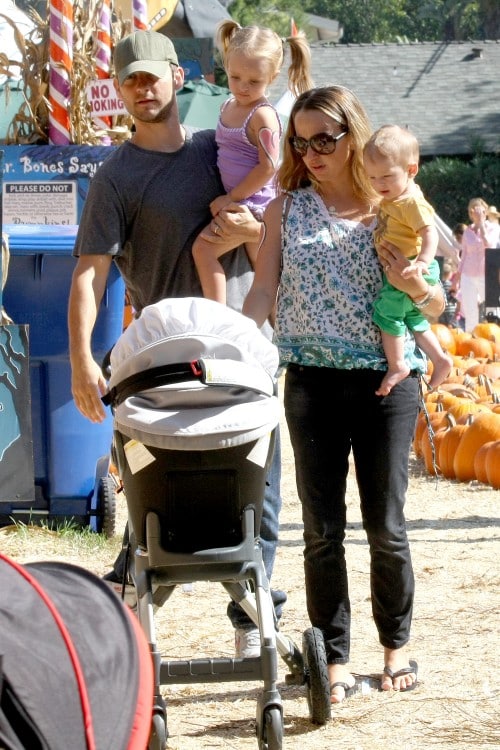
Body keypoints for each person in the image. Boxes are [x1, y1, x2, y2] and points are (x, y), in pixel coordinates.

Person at [68, 30, 285, 659]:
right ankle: (128, 610)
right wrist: (83, 355)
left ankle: (254, 620)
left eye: (150, 76)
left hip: (241, 351)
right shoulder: (116, 178)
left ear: (179, 74)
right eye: (128, 79)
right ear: (118, 88)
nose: (141, 88)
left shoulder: (220, 149)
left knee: (256, 491)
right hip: (162, 364)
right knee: (154, 489)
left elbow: (272, 214)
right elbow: (90, 271)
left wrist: (251, 227)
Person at [242, 85, 445, 703]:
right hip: (309, 385)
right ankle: (331, 659)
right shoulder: (283, 210)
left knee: (386, 525)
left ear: (353, 135)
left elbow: (436, 305)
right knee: (322, 529)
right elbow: (262, 293)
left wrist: (416, 284)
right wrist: (235, 346)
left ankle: (396, 647)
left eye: (324, 140)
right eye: (300, 142)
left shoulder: (399, 209)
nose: (311, 153)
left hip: (387, 385)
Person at [192, 20, 312, 304]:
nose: (243, 87)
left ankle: (217, 319)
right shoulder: (228, 105)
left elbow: (268, 166)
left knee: (203, 251)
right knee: (266, 282)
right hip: (246, 202)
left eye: (254, 81)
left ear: (272, 77)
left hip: (253, 204)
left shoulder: (262, 116)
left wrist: (230, 197)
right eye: (235, 78)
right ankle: (281, 333)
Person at [362, 125, 451, 395]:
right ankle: (440, 358)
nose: (379, 184)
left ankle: (398, 364)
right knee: (411, 316)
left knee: (387, 312)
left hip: (410, 266)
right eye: (373, 177)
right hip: (407, 265)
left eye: (387, 176)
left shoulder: (411, 202)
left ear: (411, 170)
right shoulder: (397, 197)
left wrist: (422, 263)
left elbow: (429, 232)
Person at [457, 197, 499, 331]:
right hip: (468, 275)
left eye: (478, 209)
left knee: (493, 308)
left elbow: (490, 246)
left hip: (488, 273)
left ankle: (496, 337)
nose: (475, 213)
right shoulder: (467, 231)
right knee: (470, 311)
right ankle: (471, 339)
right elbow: (463, 256)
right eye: (472, 210)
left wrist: (481, 225)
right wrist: (457, 279)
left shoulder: (493, 228)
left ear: (485, 211)